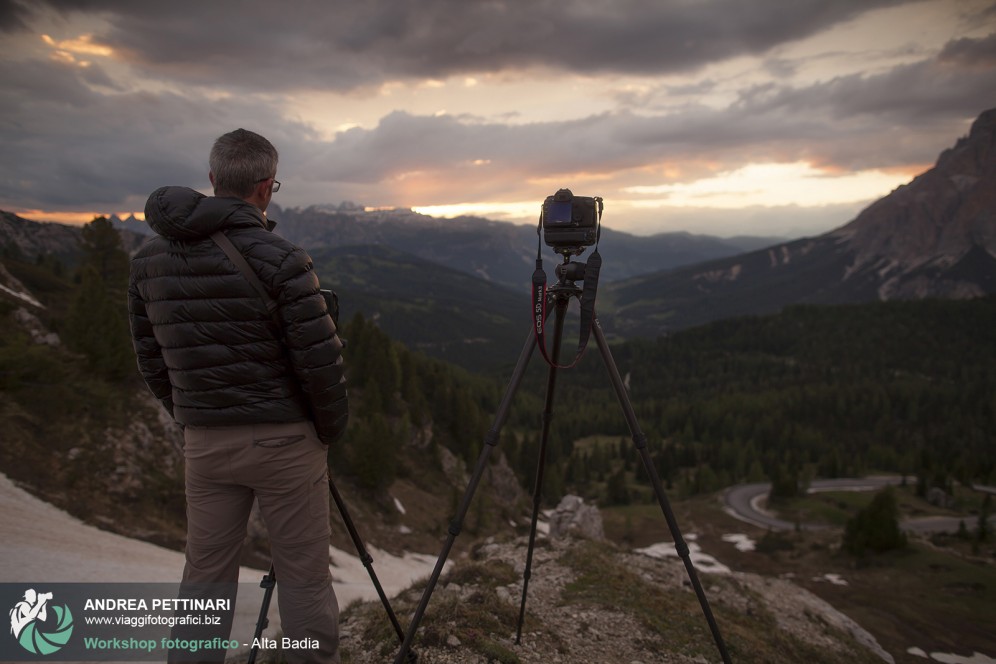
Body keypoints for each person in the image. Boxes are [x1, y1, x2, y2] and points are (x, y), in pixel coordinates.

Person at [128, 128, 348, 663]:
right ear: (266, 187)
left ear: (212, 180)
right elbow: (320, 364)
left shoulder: (148, 259)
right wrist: (327, 431)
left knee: (204, 576)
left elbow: (150, 359)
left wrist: (192, 415)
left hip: (205, 443)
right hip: (284, 443)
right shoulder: (283, 257)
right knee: (303, 578)